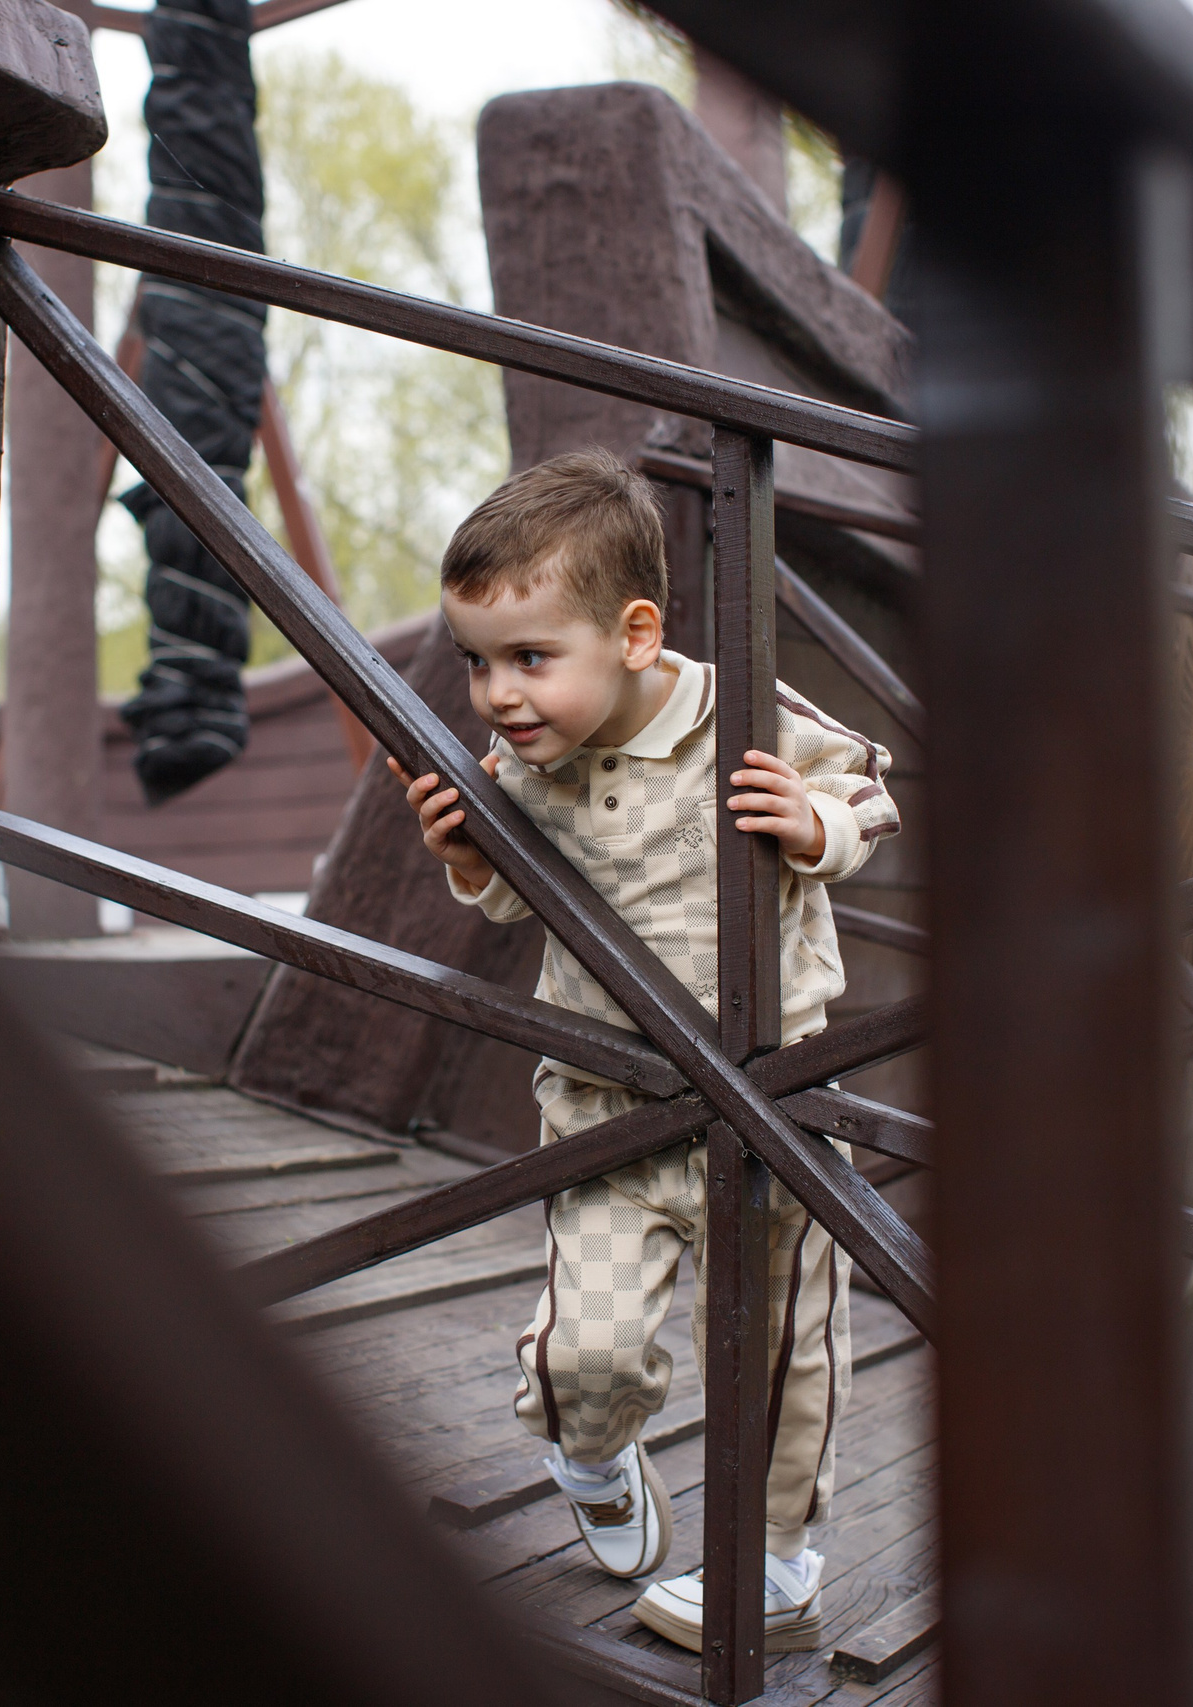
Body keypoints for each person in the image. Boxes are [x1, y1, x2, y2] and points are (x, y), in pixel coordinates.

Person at [388, 448, 899, 1653]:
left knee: (781, 1348)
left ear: (633, 632)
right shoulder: (521, 767)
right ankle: (591, 1448)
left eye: (528, 659)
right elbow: (514, 900)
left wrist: (820, 823)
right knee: (591, 1349)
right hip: (613, 1108)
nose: (498, 697)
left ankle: (774, 1565)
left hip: (777, 1098)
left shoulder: (748, 708)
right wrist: (468, 857)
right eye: (475, 662)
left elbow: (874, 784)